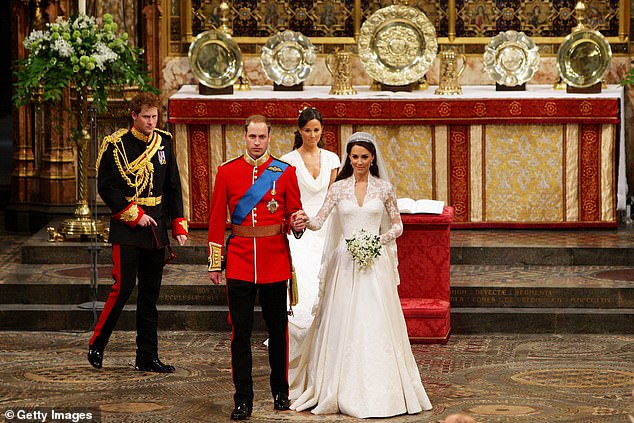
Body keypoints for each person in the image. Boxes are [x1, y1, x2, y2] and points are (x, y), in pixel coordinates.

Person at [289, 132, 433, 418]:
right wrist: (305, 219)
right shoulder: (338, 188)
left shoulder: (384, 189)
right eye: (354, 157)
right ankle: (339, 386)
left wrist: (378, 240)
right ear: (348, 158)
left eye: (364, 157)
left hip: (373, 264)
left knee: (375, 321)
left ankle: (384, 389)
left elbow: (398, 226)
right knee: (343, 321)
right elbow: (320, 221)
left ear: (372, 158)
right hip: (344, 264)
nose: (358, 162)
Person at [207, 114, 306, 421]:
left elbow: (293, 216)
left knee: (278, 331)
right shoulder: (227, 171)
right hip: (238, 262)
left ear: (269, 138)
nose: (257, 142)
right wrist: (215, 262)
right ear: (245, 136)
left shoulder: (285, 172)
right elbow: (214, 221)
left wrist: (298, 224)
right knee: (241, 334)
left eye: (262, 137)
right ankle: (243, 399)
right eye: (253, 137)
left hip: (274, 261)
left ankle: (280, 391)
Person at [87, 92, 188, 373]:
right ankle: (97, 344)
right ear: (133, 116)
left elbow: (173, 186)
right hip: (127, 228)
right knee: (123, 288)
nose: (152, 122)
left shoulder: (164, 142)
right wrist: (134, 216)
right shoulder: (115, 145)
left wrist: (178, 223)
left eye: (155, 117)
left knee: (150, 295)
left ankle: (147, 355)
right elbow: (107, 187)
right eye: (146, 117)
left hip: (155, 227)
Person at [280, 107, 340, 360]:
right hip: (300, 224)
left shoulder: (332, 159)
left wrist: (323, 220)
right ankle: (299, 330)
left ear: (322, 130)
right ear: (299, 131)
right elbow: (284, 196)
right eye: (307, 130)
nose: (312, 135)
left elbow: (334, 195)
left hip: (326, 222)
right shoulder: (287, 160)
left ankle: (329, 330)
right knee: (303, 273)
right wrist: (297, 219)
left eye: (316, 130)